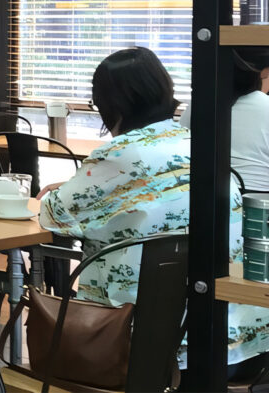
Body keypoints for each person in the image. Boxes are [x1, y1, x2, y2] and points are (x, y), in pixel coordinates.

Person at [41, 47, 269, 376]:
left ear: (109, 104)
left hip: (144, 350)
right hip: (239, 344)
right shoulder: (201, 144)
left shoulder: (118, 154)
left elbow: (54, 216)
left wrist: (60, 191)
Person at [180, 47, 269, 192]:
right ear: (261, 74)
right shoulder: (265, 105)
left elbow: (181, 141)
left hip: (205, 194)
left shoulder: (201, 103)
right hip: (256, 197)